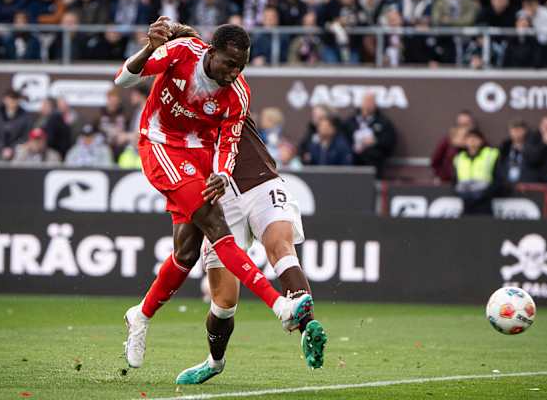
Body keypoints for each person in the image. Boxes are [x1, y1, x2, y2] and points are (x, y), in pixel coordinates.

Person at [114, 18, 315, 370]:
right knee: (215, 224)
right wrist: (149, 47)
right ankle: (280, 305)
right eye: (229, 63)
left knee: (187, 251)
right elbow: (124, 78)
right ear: (212, 52)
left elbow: (229, 140)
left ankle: (140, 316)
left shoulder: (238, 93)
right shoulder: (182, 53)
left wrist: (222, 173)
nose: (233, 72)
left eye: (241, 66)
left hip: (201, 157)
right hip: (161, 144)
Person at [343, 92, 397, 177]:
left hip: (373, 163)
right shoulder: (350, 121)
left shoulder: (383, 122)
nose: (368, 104)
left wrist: (375, 141)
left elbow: (389, 141)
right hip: (352, 162)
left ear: (375, 104)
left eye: (371, 101)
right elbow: (342, 139)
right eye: (366, 101)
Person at [452, 128, 500, 216]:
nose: (472, 141)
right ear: (465, 141)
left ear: (481, 140)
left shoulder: (491, 154)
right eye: (469, 138)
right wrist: (461, 193)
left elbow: (498, 178)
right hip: (466, 201)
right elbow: (455, 180)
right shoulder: (459, 158)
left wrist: (486, 192)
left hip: (484, 201)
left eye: (475, 138)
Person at [431, 111, 475, 183]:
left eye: (466, 124)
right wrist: (441, 175)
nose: (463, 127)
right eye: (460, 124)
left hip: (470, 183)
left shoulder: (478, 141)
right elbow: (435, 160)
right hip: (448, 181)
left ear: (472, 124)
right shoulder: (447, 140)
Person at [0, 89, 33, 161]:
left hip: (17, 149)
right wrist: (2, 147)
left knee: (24, 149)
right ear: (4, 99)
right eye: (10, 98)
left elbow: (26, 135)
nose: (13, 101)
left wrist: (12, 148)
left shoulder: (25, 116)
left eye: (15, 98)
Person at [498, 120, 528, 188]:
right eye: (514, 130)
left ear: (525, 131)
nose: (516, 133)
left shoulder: (531, 148)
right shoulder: (504, 148)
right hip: (506, 186)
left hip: (525, 185)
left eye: (519, 130)